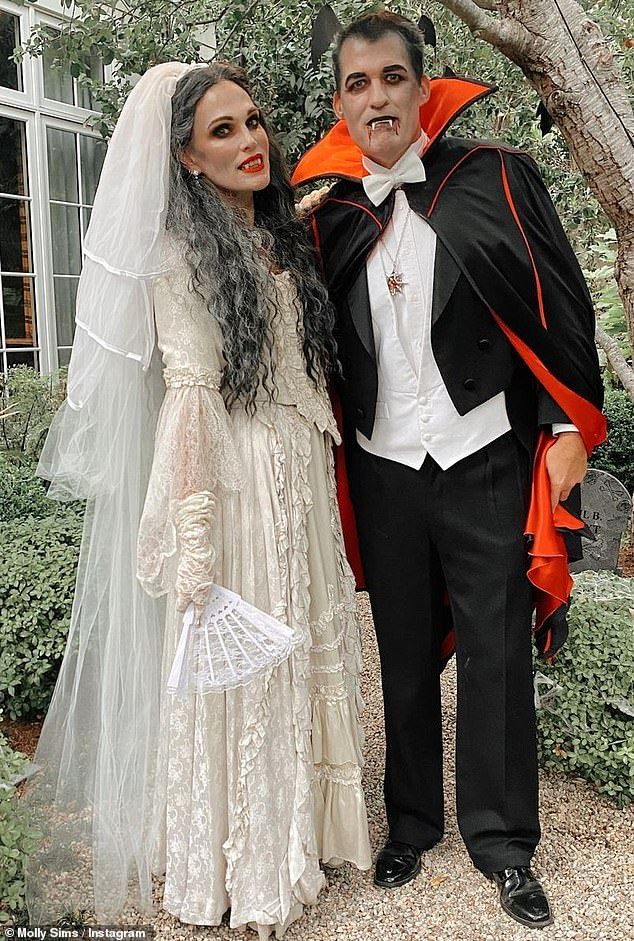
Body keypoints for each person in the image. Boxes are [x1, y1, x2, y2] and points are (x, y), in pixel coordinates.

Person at [24, 61, 371, 935]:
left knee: (296, 654)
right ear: (183, 156)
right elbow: (188, 394)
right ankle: (243, 865)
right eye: (223, 131)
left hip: (298, 470)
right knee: (240, 669)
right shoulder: (178, 257)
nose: (251, 140)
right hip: (237, 478)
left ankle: (301, 836)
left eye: (252, 121)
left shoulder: (277, 234)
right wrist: (195, 538)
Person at [292, 10, 606, 930]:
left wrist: (566, 424)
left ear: (421, 88)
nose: (377, 96)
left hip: (482, 459)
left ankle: (505, 843)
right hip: (386, 465)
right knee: (398, 650)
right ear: (342, 102)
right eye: (357, 84)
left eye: (392, 78)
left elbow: (559, 302)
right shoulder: (331, 212)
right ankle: (412, 823)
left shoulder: (498, 178)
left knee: (499, 653)